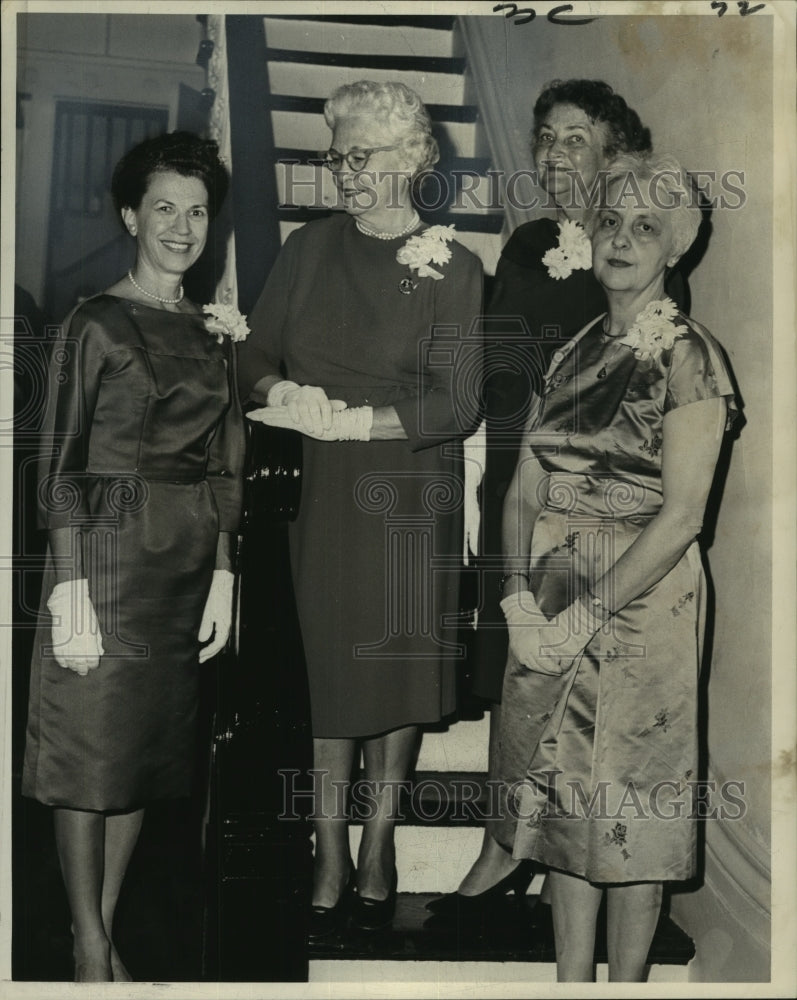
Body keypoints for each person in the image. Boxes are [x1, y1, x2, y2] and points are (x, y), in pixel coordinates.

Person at [430, 78, 688, 919]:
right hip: (516, 470)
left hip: (592, 505)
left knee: (575, 694)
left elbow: (638, 399)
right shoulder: (527, 242)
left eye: (573, 138)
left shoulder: (634, 259)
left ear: (614, 151)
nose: (551, 153)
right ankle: (509, 840)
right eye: (544, 137)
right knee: (517, 674)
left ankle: (524, 849)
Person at [238, 80, 483, 937]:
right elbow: (253, 356)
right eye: (335, 157)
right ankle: (328, 840)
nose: (343, 173)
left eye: (360, 157)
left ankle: (378, 835)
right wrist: (282, 393)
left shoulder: (455, 266)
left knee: (400, 665)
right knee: (331, 663)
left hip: (411, 487)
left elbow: (457, 405)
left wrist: (356, 423)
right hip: (322, 490)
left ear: (413, 159)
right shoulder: (307, 250)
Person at [494, 152, 736, 981]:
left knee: (630, 810)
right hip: (552, 585)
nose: (622, 239)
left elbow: (681, 516)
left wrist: (586, 615)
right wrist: (516, 601)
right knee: (562, 798)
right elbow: (527, 480)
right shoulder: (571, 351)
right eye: (610, 222)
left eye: (644, 227)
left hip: (643, 602)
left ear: (675, 248)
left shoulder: (690, 357)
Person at [22, 131, 245, 982]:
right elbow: (62, 460)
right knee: (87, 758)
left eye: (196, 212)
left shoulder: (216, 331)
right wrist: (69, 586)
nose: (182, 228)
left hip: (183, 566)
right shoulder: (96, 321)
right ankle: (84, 943)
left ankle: (105, 928)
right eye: (164, 210)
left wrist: (225, 567)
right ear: (129, 217)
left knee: (141, 761)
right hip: (106, 559)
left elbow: (226, 459)